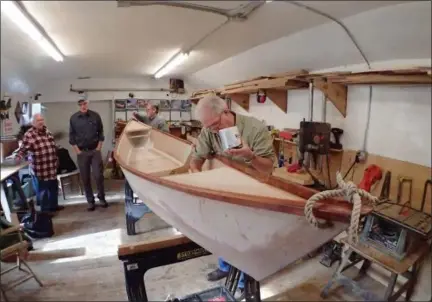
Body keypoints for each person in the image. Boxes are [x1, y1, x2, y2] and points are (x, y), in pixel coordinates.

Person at [190, 95, 275, 296]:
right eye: (209, 127)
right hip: (224, 189)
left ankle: (246, 282)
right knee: (221, 229)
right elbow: (196, 159)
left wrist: (250, 156)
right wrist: (197, 179)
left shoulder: (255, 129)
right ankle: (225, 266)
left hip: (252, 190)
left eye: (216, 124)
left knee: (245, 237)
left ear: (227, 111)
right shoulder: (209, 130)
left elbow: (268, 168)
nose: (214, 130)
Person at [15, 113, 62, 213]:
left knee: (53, 187)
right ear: (33, 123)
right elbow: (22, 150)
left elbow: (52, 146)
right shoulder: (29, 135)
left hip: (51, 166)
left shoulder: (47, 131)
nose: (41, 122)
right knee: (43, 191)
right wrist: (17, 158)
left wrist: (56, 157)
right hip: (41, 168)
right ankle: (45, 212)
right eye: (38, 121)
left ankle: (53, 206)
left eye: (42, 120)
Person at [69, 98, 107, 211]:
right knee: (85, 178)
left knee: (98, 176)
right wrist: (77, 151)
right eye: (80, 104)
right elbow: (71, 136)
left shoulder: (95, 116)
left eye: (84, 103)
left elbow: (101, 132)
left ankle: (102, 198)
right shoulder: (74, 118)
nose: (83, 106)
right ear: (78, 105)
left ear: (88, 103)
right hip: (82, 152)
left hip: (94, 151)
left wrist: (98, 148)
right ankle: (90, 201)